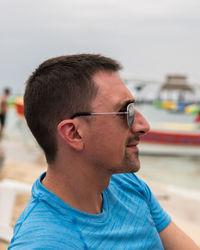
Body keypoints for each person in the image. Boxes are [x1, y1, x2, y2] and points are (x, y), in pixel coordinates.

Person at [9, 54, 199, 249]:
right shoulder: (44, 243)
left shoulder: (126, 183)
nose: (144, 125)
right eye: (126, 112)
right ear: (74, 133)